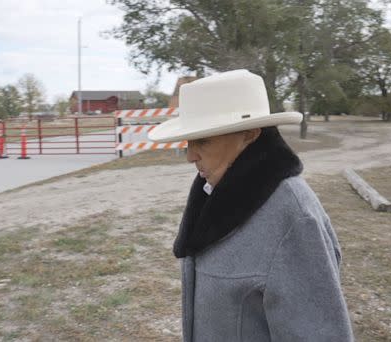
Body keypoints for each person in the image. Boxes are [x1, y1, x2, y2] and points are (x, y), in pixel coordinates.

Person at [148, 69, 354, 341]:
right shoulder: (213, 191)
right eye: (189, 141)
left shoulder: (294, 219)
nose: (190, 155)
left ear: (249, 135)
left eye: (203, 140)